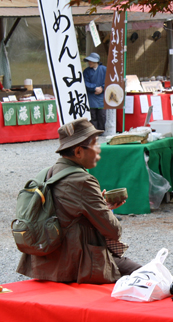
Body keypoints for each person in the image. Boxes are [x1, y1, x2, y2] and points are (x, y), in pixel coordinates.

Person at [16, 118, 141, 283]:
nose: (99, 150)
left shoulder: (46, 174)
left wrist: (101, 206)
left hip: (45, 263)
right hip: (76, 265)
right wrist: (106, 210)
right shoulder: (82, 180)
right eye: (95, 144)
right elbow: (113, 231)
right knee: (146, 274)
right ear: (78, 152)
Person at [83, 53, 107, 131]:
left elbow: (109, 81)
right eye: (89, 61)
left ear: (96, 61)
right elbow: (85, 83)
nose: (89, 62)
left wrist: (102, 88)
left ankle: (101, 130)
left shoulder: (104, 69)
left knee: (102, 115)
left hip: (102, 96)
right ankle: (94, 131)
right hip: (91, 95)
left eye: (91, 61)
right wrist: (94, 88)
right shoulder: (86, 71)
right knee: (92, 115)